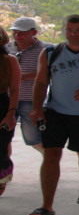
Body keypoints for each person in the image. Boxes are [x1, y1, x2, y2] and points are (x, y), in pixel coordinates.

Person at [27, 14, 79, 215]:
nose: (74, 34)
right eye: (70, 30)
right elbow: (40, 82)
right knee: (51, 155)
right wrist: (36, 108)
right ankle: (47, 205)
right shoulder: (51, 52)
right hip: (55, 112)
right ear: (64, 30)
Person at [6, 17, 51, 154]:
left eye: (23, 33)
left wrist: (21, 76)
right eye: (15, 32)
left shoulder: (47, 49)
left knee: (34, 138)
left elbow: (50, 73)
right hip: (7, 98)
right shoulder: (6, 48)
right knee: (4, 136)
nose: (18, 36)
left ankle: (50, 161)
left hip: (31, 99)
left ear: (34, 32)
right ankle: (5, 170)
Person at [0, 26, 21, 196]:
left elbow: (14, 90)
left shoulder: (9, 60)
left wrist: (11, 113)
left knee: (1, 147)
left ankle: (2, 180)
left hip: (2, 106)